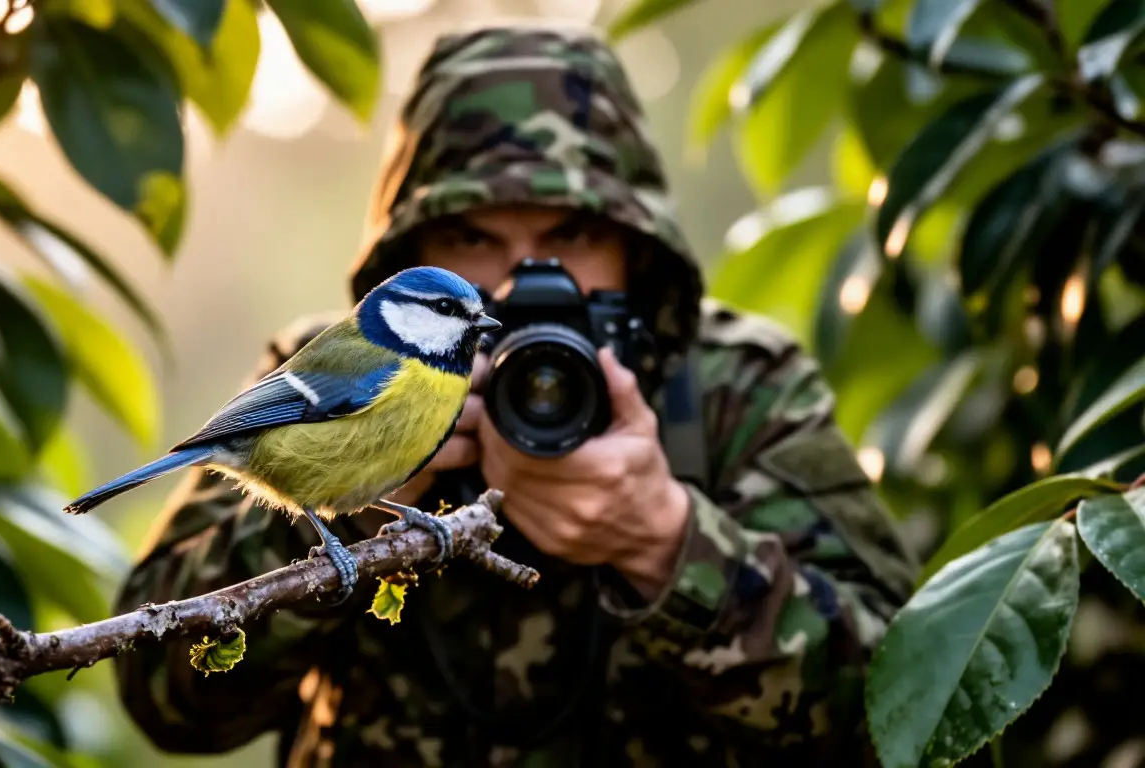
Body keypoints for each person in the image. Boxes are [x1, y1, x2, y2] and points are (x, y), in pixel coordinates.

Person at [112, 22, 917, 767]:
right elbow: (162, 694)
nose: (512, 288)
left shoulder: (736, 388)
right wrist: (351, 514)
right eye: (472, 239)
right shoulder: (327, 360)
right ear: (408, 254)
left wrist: (670, 545)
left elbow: (912, 706)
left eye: (570, 236)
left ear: (638, 250)